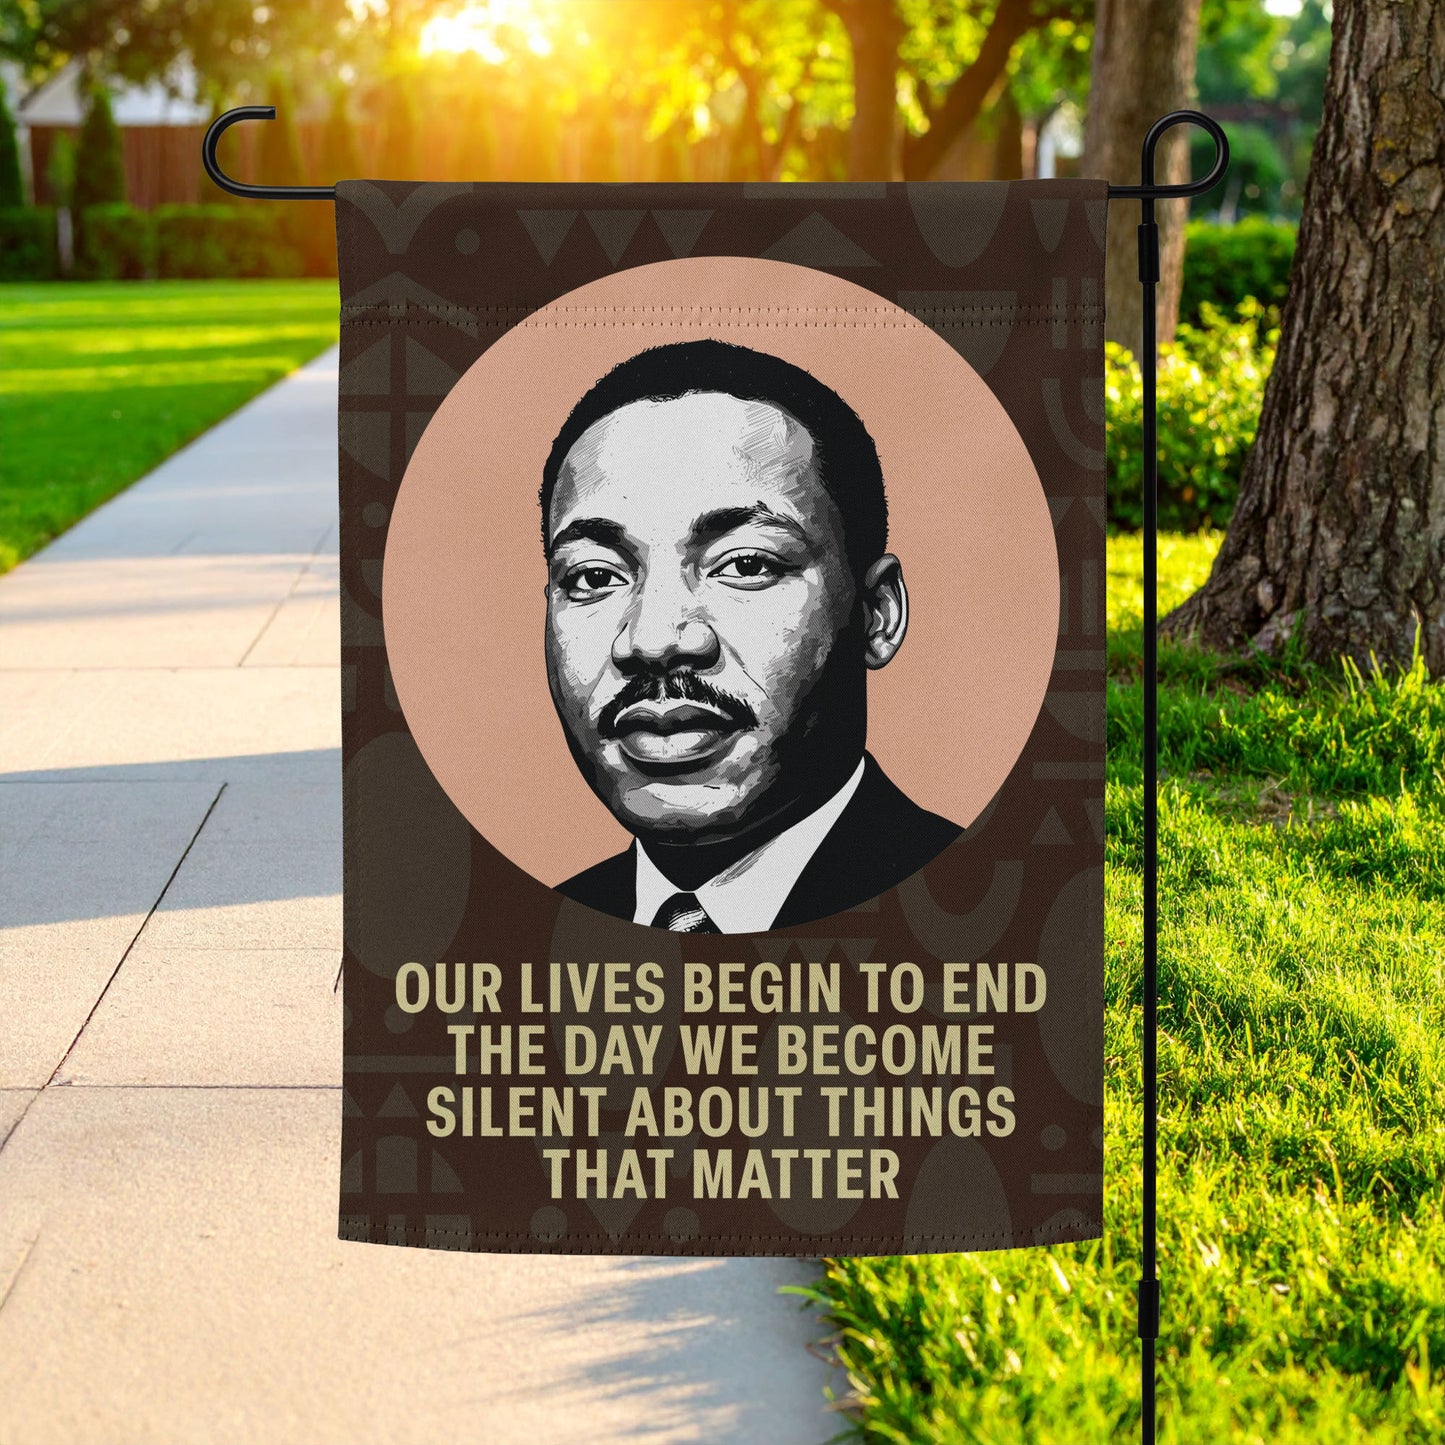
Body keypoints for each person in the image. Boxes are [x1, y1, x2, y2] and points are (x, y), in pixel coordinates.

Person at [541, 338, 961, 934]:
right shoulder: (518, 942)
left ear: (876, 614)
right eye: (593, 576)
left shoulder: (987, 916)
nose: (654, 638)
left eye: (746, 564)